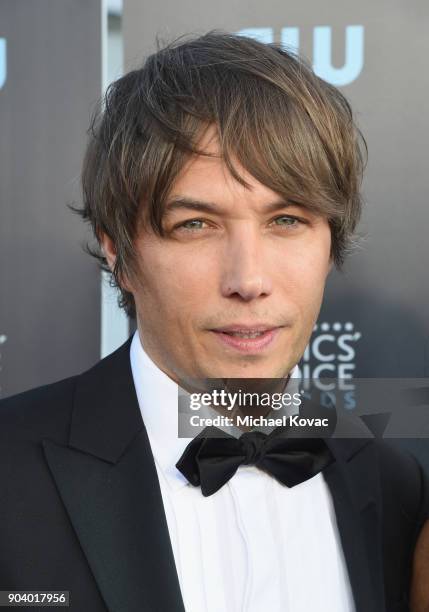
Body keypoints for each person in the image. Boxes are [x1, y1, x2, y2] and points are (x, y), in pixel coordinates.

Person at [0, 30, 428, 612]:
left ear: (332, 244)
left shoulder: (393, 484)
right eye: (196, 225)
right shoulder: (11, 467)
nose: (248, 279)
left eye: (287, 220)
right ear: (118, 252)